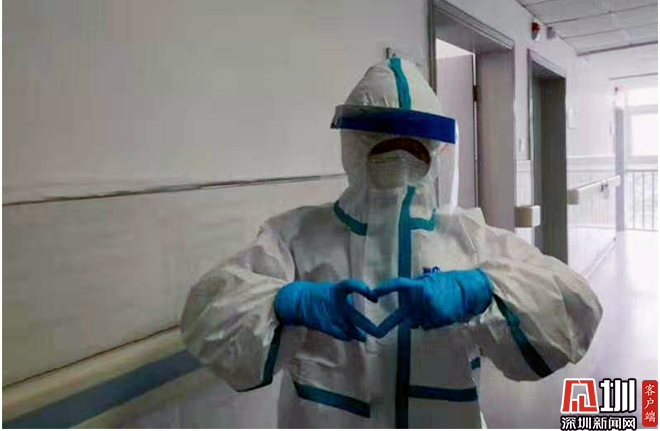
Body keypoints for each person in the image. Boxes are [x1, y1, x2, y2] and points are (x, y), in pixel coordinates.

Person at [181, 58, 602, 428]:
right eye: (383, 144)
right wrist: (286, 303)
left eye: (412, 147)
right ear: (353, 148)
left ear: (433, 153)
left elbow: (575, 306)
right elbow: (208, 317)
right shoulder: (295, 235)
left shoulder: (468, 237)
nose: (399, 159)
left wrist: (481, 290)